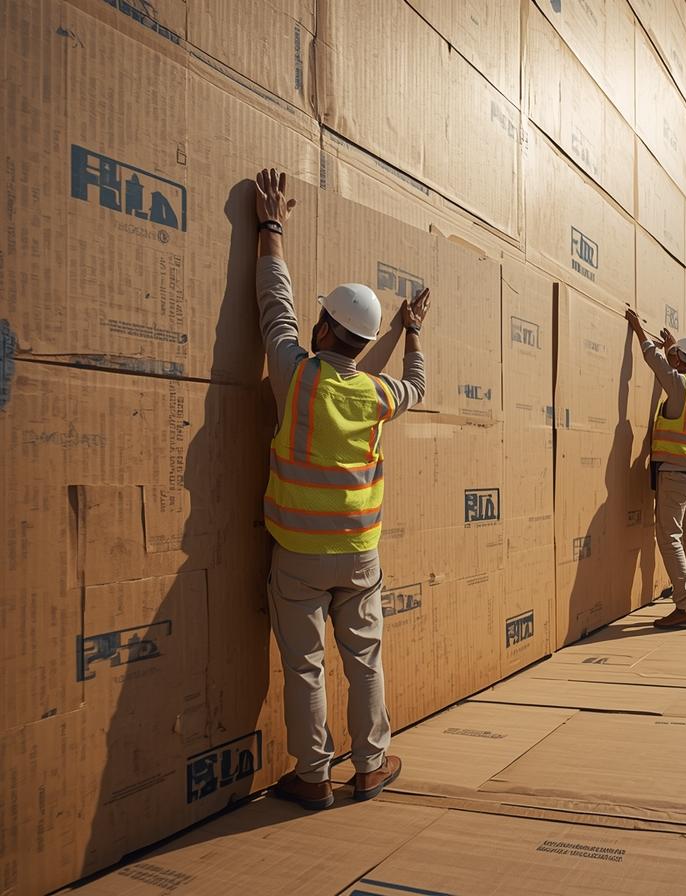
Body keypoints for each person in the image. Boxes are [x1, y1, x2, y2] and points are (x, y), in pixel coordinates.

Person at [253, 168, 426, 809]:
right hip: (359, 553)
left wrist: (272, 227)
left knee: (305, 666)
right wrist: (414, 332)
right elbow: (413, 385)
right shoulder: (377, 395)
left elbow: (275, 301)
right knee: (364, 660)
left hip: (296, 554)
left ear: (322, 329)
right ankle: (371, 766)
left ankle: (315, 774)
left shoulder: (294, 377)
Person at [624, 308, 686, 630]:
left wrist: (639, 330)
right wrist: (676, 349)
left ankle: (684, 606)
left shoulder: (678, 386)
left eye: (676, 357)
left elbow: (656, 363)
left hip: (675, 475)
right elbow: (676, 369)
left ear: (680, 363)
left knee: (670, 537)